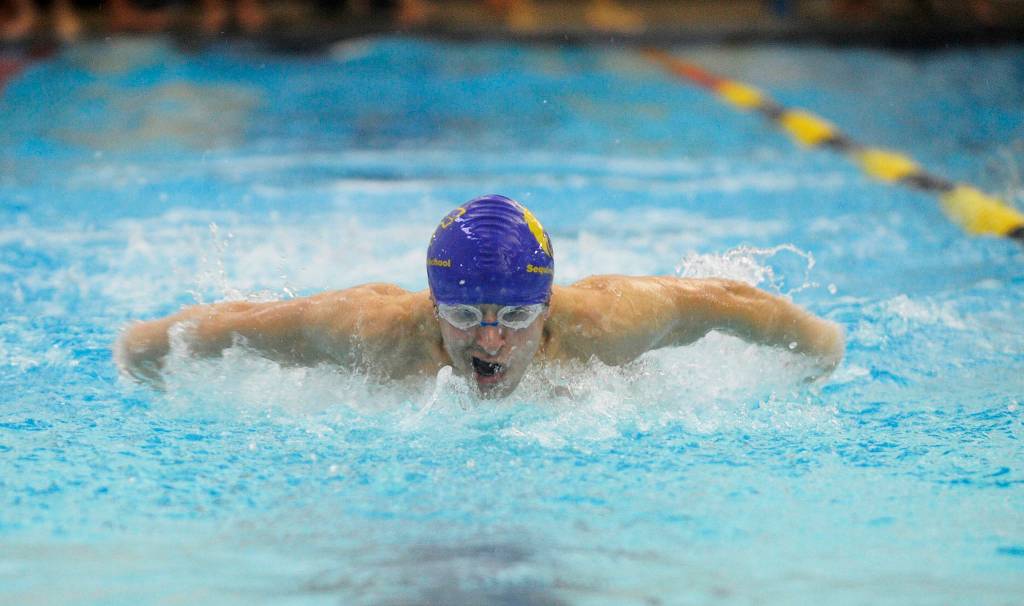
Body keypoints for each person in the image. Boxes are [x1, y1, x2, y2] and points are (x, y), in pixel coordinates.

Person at [116, 195, 844, 398]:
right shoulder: (370, 331)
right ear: (433, 306)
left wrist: (819, 354)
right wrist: (142, 356)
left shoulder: (609, 324)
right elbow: (236, 325)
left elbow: (728, 301)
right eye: (464, 315)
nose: (489, 342)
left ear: (548, 308)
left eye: (516, 318)